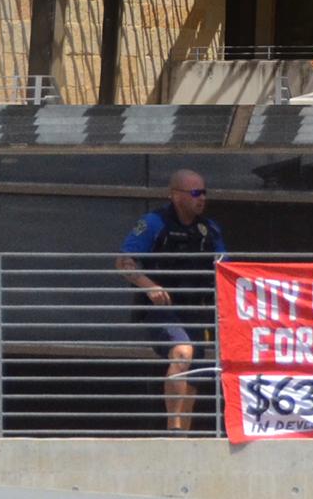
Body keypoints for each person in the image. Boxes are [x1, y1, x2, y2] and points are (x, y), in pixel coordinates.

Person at [117, 169, 226, 432]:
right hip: (163, 309)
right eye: (195, 193)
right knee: (181, 352)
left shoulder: (209, 229)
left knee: (194, 375)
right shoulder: (154, 223)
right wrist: (150, 287)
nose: (202, 198)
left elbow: (226, 268)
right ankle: (173, 429)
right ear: (176, 195)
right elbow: (123, 261)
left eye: (204, 192)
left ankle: (182, 438)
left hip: (197, 311)